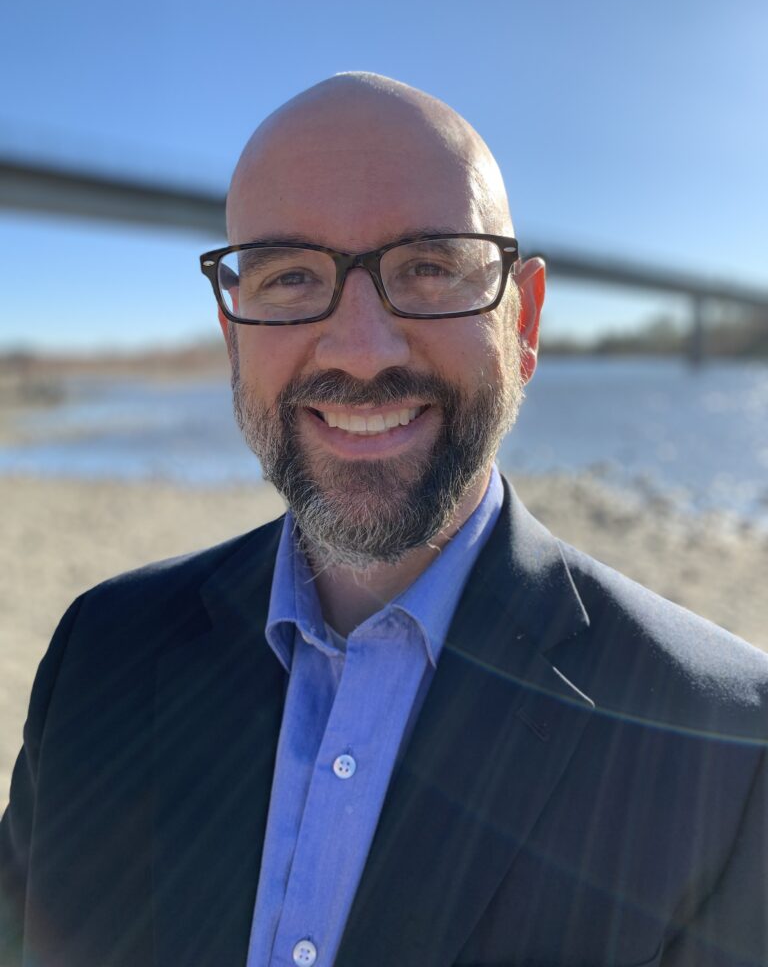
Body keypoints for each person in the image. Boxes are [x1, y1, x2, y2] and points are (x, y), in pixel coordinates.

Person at [1, 72, 766, 967]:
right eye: (290, 276)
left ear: (524, 321)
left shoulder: (726, 744)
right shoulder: (100, 652)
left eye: (430, 267)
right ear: (232, 334)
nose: (363, 350)